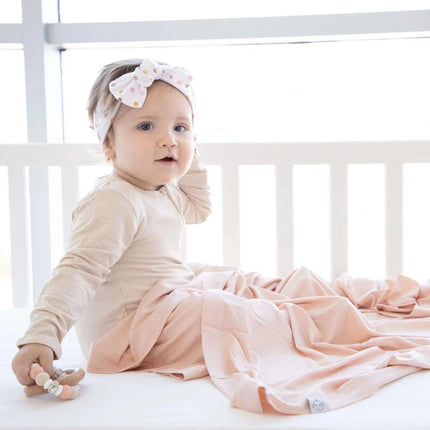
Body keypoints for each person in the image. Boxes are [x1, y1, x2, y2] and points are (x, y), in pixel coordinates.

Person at [12, 58, 211, 386]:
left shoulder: (161, 190)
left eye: (180, 128)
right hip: (128, 335)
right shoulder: (114, 200)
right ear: (108, 142)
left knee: (224, 277)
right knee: (230, 309)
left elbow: (199, 209)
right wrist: (42, 334)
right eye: (146, 126)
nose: (169, 140)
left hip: (158, 314)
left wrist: (187, 151)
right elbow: (78, 271)